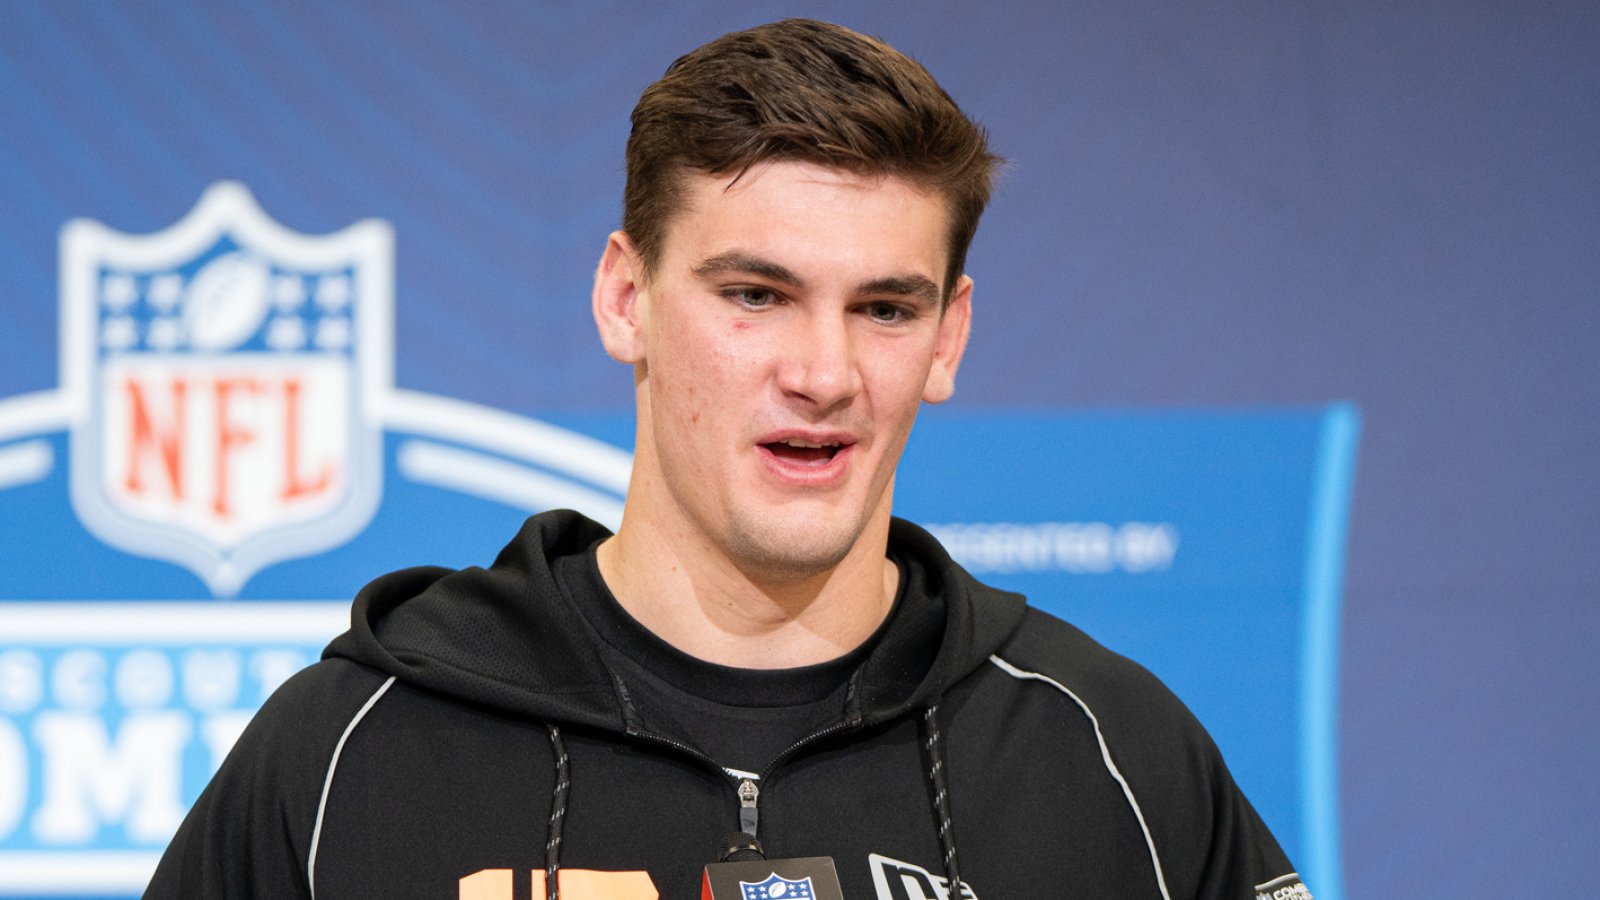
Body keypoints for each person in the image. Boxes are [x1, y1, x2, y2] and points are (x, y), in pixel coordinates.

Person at [146, 18, 1310, 900]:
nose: (823, 372)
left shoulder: (1105, 751)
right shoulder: (354, 748)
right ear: (626, 298)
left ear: (948, 337)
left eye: (885, 309)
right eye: (755, 294)